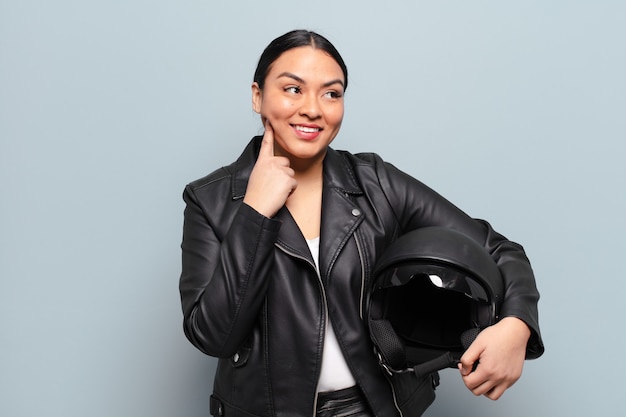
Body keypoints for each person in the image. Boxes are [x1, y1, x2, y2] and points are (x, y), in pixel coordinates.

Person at [179, 29, 543, 417]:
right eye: (293, 89)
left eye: (331, 93)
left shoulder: (375, 182)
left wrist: (517, 324)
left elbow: (499, 250)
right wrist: (255, 212)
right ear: (257, 96)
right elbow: (213, 335)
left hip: (373, 408)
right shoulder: (210, 200)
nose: (313, 109)